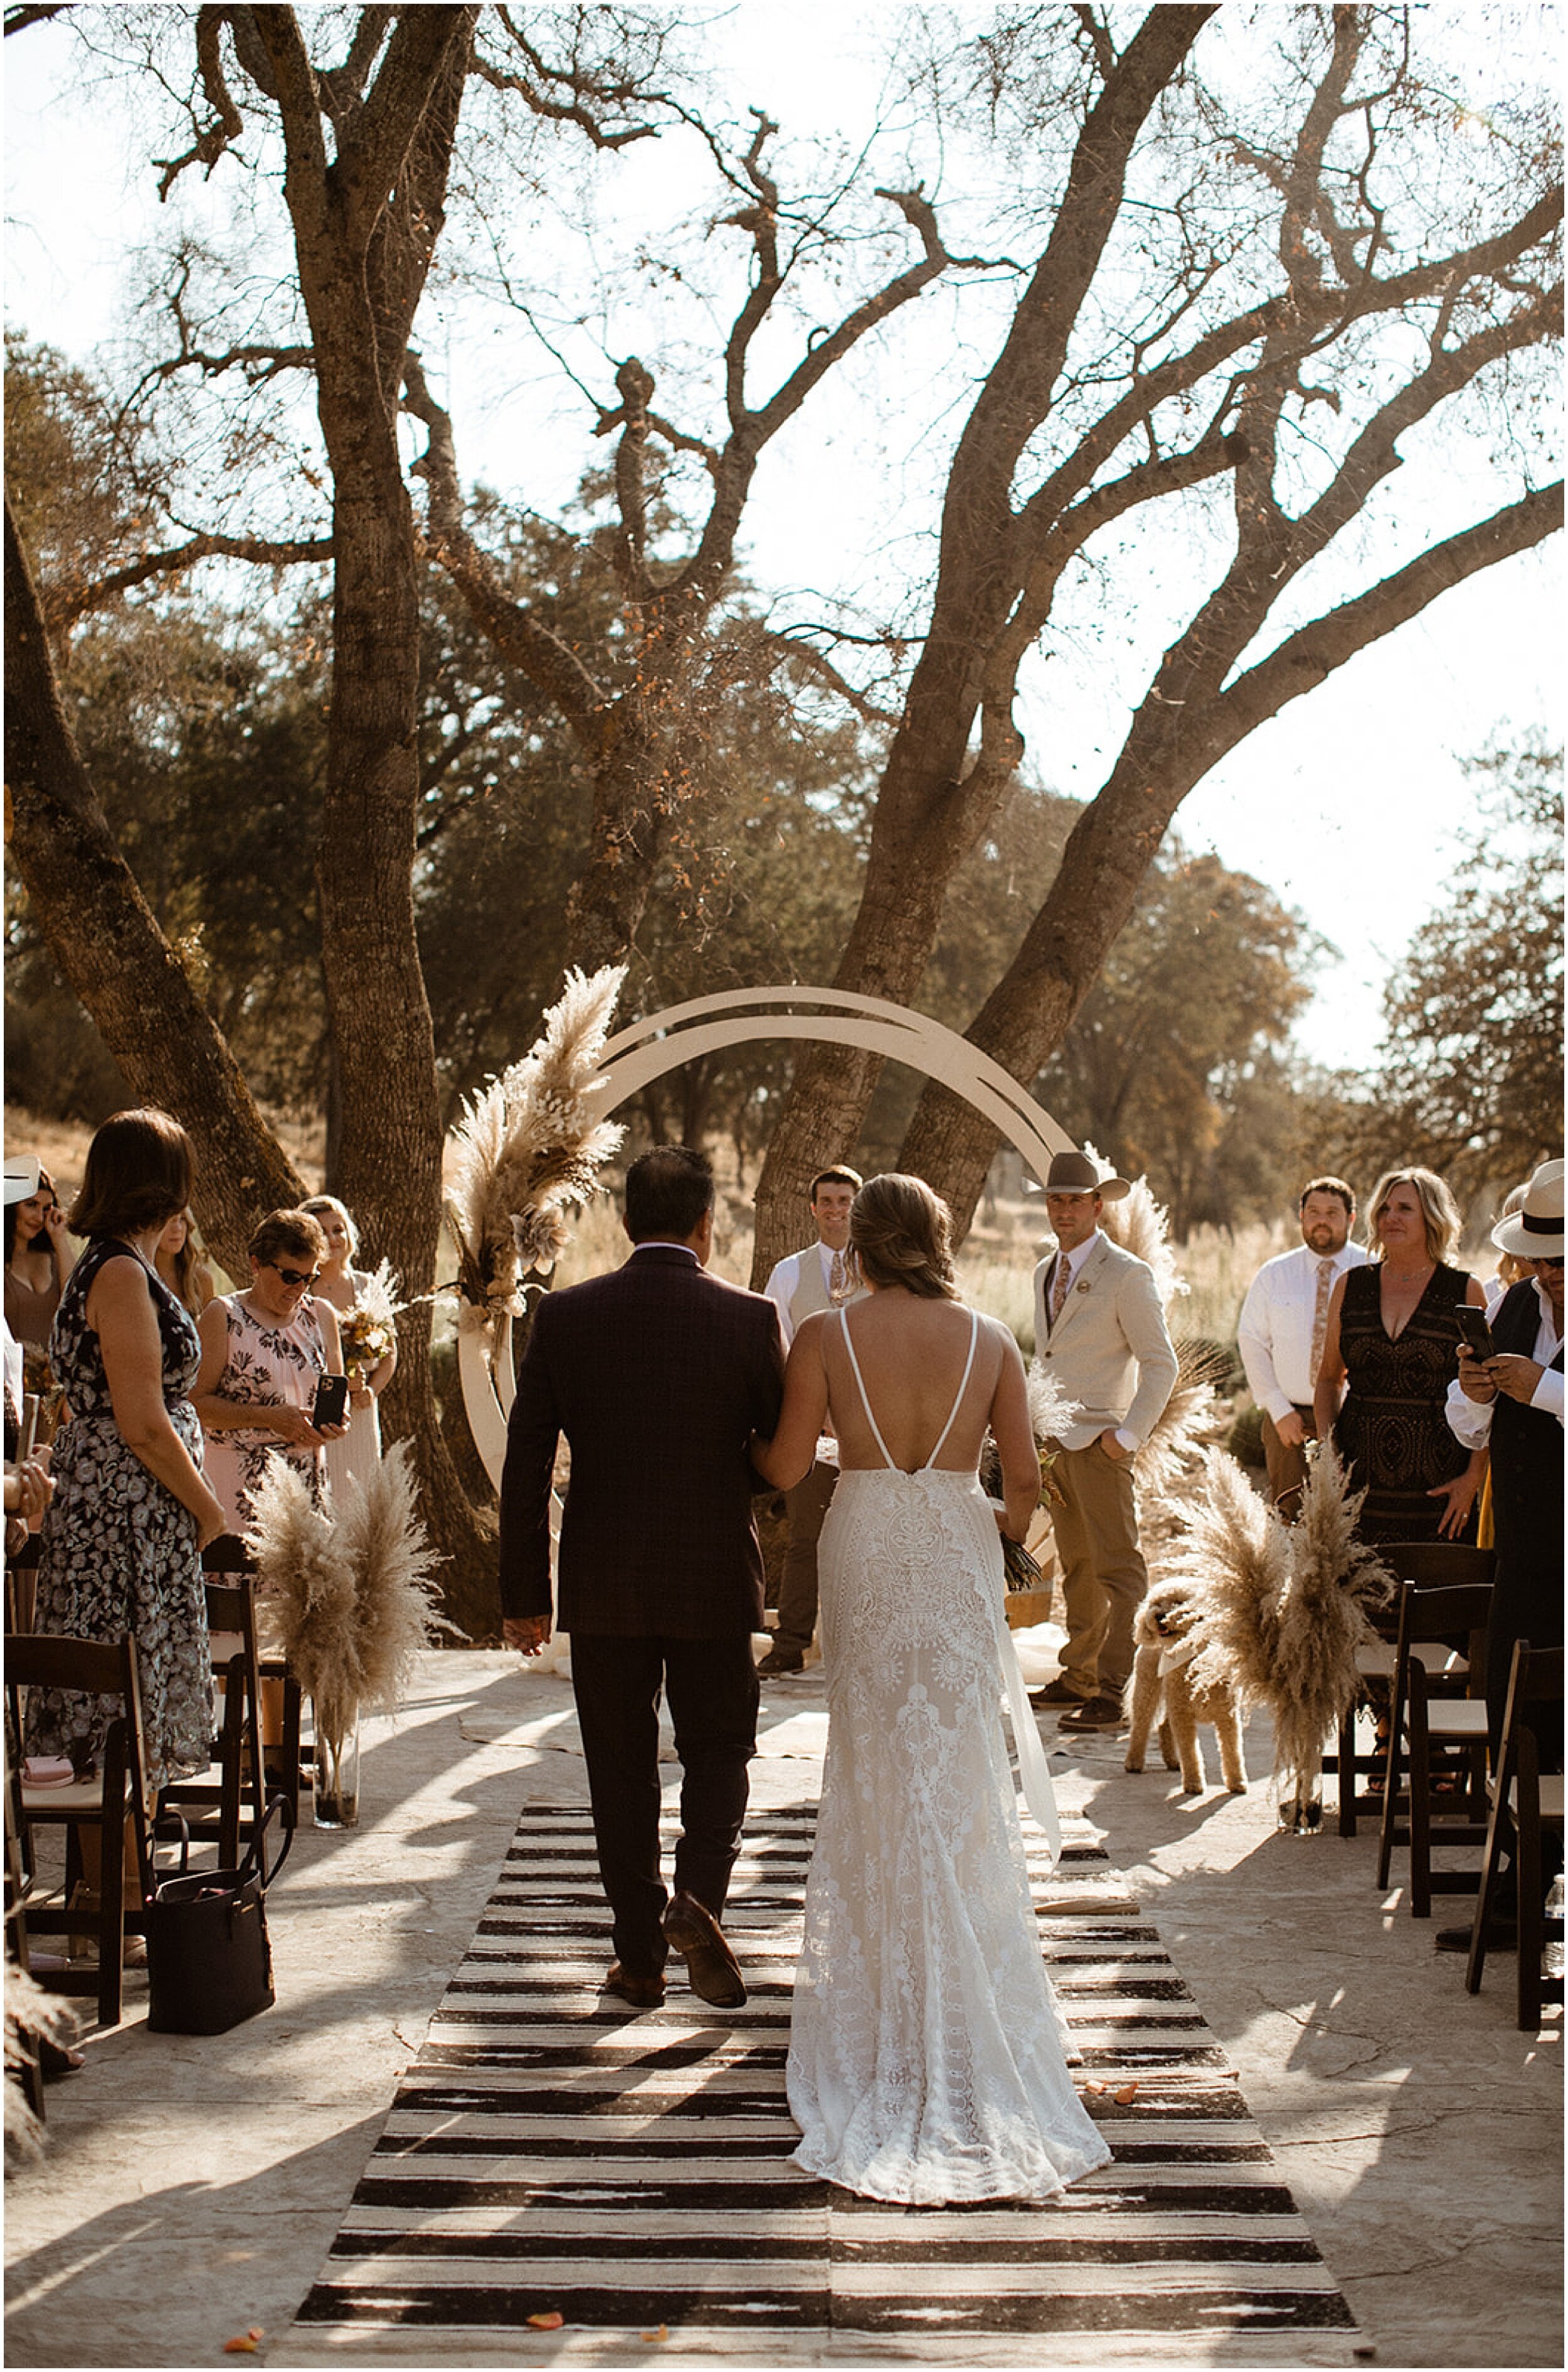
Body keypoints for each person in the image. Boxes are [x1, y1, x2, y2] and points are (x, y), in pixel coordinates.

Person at [753, 1172, 1110, 2204]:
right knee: (954, 1766)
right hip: (953, 1539)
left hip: (864, 1536)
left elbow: (783, 1469)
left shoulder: (824, 1334)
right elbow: (1027, 1481)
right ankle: (956, 1994)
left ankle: (883, 2002)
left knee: (871, 1759)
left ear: (860, 1242)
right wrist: (987, 1535)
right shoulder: (991, 1338)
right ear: (938, 1238)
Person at [499, 1147, 785, 2013]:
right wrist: (728, 1473)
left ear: (627, 1222)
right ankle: (697, 1896)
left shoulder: (568, 1315)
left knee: (619, 1769)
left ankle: (639, 1962)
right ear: (707, 1223)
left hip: (605, 1578)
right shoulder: (749, 1316)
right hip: (710, 1576)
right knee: (721, 1748)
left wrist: (524, 1594)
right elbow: (775, 1458)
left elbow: (526, 1460)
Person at [23, 1109, 227, 1792]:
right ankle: (117, 1890)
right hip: (127, 1516)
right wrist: (208, 1510)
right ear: (160, 1181)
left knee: (125, 1704)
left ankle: (118, 1883)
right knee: (116, 1704)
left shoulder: (119, 1263)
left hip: (127, 1506)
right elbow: (139, 1420)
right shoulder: (117, 1271)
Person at [1028, 1148, 1179, 1731]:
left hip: (1102, 1443)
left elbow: (1159, 1364)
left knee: (1119, 1566)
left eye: (1075, 1201)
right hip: (1056, 1442)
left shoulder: (1127, 1275)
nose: (1064, 1211)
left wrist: (1128, 1436)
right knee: (1078, 1565)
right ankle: (1080, 1675)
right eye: (1055, 1200)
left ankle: (1119, 1688)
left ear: (1098, 1206)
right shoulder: (1045, 1272)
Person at [1446, 1158, 1564, 1749]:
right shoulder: (1513, 1304)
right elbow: (1468, 1426)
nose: (1547, 1271)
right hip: (1522, 1552)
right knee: (1515, 1717)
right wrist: (1474, 1393)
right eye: (1538, 1257)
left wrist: (1544, 1388)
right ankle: (1519, 1844)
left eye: (1561, 1258)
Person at [1314, 1167, 1488, 1543]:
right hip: (1356, 1486)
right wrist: (1328, 1458)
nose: (1390, 1217)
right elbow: (1329, 1378)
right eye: (1384, 1209)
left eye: (1405, 1209)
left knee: (1433, 1599)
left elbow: (1487, 1397)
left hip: (1438, 1491)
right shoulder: (1351, 1285)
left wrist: (1473, 1478)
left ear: (1432, 1218)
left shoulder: (1465, 1291)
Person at [757, 1165, 868, 1676]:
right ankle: (791, 1643)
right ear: (812, 1208)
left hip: (872, 1427)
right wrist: (811, 1413)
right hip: (810, 1428)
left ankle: (862, 1643)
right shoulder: (789, 1273)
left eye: (844, 1200)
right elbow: (776, 1348)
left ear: (858, 1205)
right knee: (807, 1536)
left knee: (871, 1535)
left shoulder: (882, 1269)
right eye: (826, 1200)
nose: (835, 1209)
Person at [194, 1207, 348, 1533]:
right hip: (237, 1486)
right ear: (256, 1264)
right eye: (290, 1277)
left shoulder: (322, 1316)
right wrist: (269, 1418)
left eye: (310, 1278)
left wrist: (336, 1421)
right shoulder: (222, 1316)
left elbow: (336, 1392)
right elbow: (195, 1404)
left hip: (307, 1485)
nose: (299, 1289)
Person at [1237, 1177, 1368, 1512]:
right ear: (1301, 1216)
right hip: (1290, 1421)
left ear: (1351, 1219)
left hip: (1355, 1417)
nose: (1321, 1220)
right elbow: (1252, 1342)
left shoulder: (1371, 1270)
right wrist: (1280, 1411)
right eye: (1313, 1212)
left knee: (1353, 1517)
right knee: (1290, 1516)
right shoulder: (1275, 1274)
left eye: (1332, 1213)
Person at [300, 1193, 398, 1498]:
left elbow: (391, 1351)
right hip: (316, 1410)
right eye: (322, 1231)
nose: (332, 1238)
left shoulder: (367, 1285)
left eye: (338, 1229)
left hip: (361, 1412)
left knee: (361, 1494)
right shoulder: (302, 1289)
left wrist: (370, 1390)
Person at [4, 1160, 75, 1411]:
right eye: (31, 1205)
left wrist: (59, 1238)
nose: (39, 1216)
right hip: (9, 1389)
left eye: (46, 1208)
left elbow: (76, 1301)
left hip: (56, 1391)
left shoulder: (55, 1258)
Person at [153, 1207, 215, 1321]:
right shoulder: (136, 1276)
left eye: (182, 1219)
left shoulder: (200, 1279)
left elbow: (209, 1335)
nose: (178, 1229)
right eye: (168, 1220)